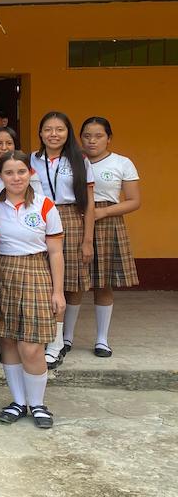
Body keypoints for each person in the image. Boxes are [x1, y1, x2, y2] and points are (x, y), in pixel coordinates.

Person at [0, 151, 65, 429]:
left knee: (32, 346)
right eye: (9, 172)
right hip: (3, 272)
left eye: (21, 171)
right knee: (8, 341)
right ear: (0, 175)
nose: (16, 178)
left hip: (36, 271)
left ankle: (37, 403)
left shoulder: (45, 205)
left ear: (30, 173)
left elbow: (56, 252)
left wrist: (58, 291)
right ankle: (18, 402)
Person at [32, 111, 94, 369]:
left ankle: (61, 340)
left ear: (68, 133)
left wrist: (87, 239)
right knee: (46, 280)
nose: (53, 134)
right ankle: (50, 337)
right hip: (39, 218)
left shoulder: (80, 160)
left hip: (70, 218)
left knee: (70, 280)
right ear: (40, 133)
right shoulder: (32, 159)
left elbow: (89, 202)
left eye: (59, 129)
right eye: (48, 129)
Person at [78, 117, 141, 358]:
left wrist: (102, 212)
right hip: (76, 220)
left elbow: (134, 201)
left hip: (108, 221)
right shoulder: (74, 160)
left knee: (103, 283)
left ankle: (102, 339)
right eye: (87, 136)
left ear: (109, 138)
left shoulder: (122, 162)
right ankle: (66, 338)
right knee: (73, 282)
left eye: (98, 136)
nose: (92, 141)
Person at [0, 126, 42, 193]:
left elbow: (39, 196)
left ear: (15, 146)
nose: (4, 148)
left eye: (9, 143)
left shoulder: (28, 171)